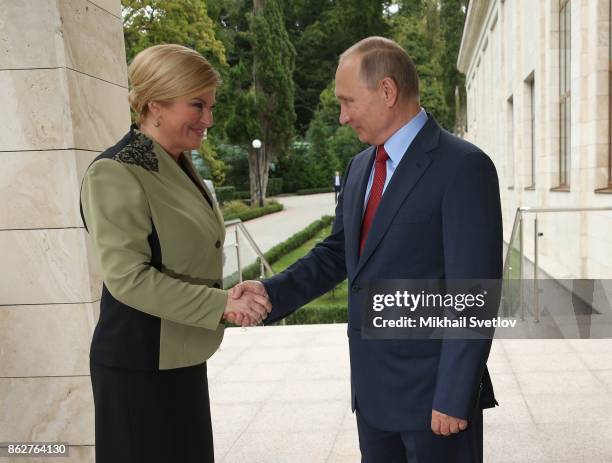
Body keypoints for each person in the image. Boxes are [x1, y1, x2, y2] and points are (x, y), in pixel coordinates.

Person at [227, 36, 502, 463]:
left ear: (387, 92)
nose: (341, 117)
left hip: (436, 401)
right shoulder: (359, 169)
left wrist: (453, 393)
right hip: (372, 398)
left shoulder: (464, 167)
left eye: (347, 101)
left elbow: (475, 293)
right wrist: (271, 292)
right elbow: (339, 253)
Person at [80, 44, 271, 463]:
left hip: (179, 357)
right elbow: (128, 278)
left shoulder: (176, 162)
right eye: (198, 105)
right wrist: (221, 304)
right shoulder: (114, 172)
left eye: (211, 106)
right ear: (155, 106)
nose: (209, 120)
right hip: (138, 368)